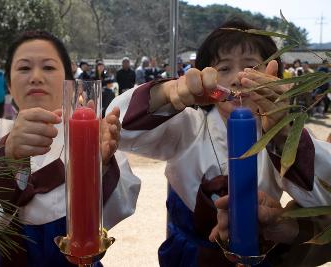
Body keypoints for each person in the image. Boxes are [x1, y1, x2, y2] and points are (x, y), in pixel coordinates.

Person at [107, 18, 331, 266]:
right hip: (189, 258)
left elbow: (322, 194)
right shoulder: (188, 126)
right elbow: (121, 128)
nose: (237, 78)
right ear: (205, 77)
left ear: (274, 77)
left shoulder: (279, 134)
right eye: (223, 69)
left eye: (252, 67)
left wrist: (281, 134)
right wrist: (168, 93)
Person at [0, 30, 140, 267]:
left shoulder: (91, 135)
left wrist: (100, 166)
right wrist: (7, 156)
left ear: (68, 79)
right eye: (24, 68)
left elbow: (123, 201)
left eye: (48, 67)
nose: (36, 77)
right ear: (8, 83)